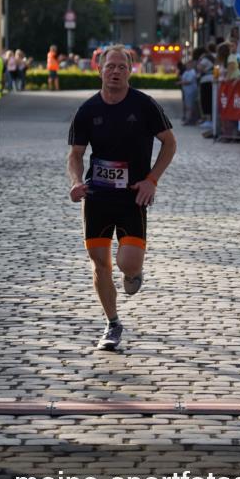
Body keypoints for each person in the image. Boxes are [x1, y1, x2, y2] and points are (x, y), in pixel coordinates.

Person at [67, 45, 176, 351]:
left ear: (131, 71)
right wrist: (76, 182)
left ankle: (134, 271)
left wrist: (151, 180)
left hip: (132, 198)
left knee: (126, 264)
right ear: (99, 70)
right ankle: (112, 323)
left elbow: (169, 143)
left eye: (121, 68)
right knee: (100, 264)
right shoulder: (87, 110)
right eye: (110, 67)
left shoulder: (145, 105)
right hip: (98, 197)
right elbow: (75, 155)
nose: (115, 72)